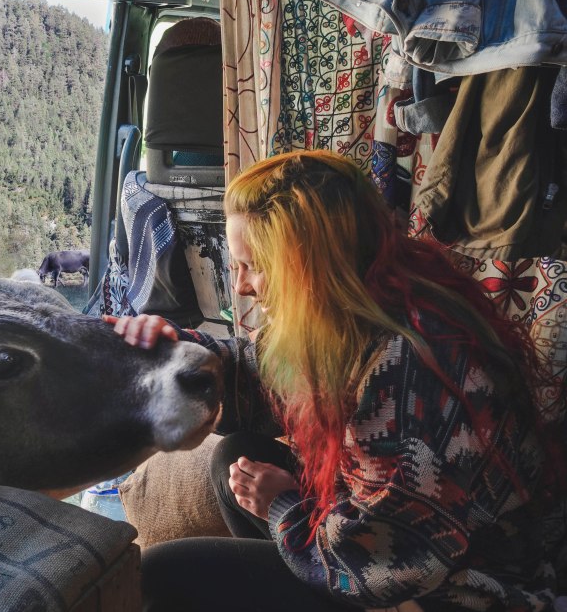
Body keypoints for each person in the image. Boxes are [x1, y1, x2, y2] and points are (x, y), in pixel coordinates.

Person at [103, 149, 566, 611]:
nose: (241, 285)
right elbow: (257, 376)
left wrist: (283, 507)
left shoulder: (407, 373)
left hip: (466, 592)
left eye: (255, 265)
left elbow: (381, 566)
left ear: (311, 266)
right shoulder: (361, 311)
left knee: (166, 573)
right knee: (235, 458)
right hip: (398, 553)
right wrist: (171, 351)